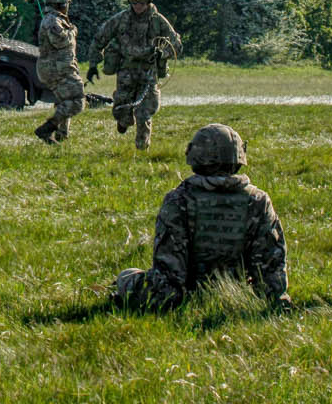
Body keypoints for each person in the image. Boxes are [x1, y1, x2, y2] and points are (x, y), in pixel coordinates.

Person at [112, 124, 288, 311]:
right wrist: (273, 299)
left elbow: (169, 272)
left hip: (181, 295)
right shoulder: (258, 201)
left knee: (127, 277)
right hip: (239, 290)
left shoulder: (179, 200)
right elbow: (271, 265)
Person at [93, 0, 181, 150]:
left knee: (144, 113)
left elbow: (176, 43)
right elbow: (100, 37)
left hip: (149, 72)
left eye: (141, 1)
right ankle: (124, 121)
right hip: (126, 71)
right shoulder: (121, 19)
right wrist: (92, 63)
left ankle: (142, 150)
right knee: (120, 108)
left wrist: (163, 54)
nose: (137, 5)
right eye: (134, 1)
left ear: (148, 0)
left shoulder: (158, 21)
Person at [33, 0, 88, 144]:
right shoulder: (53, 20)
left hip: (59, 67)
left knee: (64, 102)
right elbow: (60, 41)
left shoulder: (54, 18)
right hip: (57, 69)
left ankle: (61, 136)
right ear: (61, 4)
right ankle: (48, 128)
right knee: (77, 102)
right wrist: (73, 31)